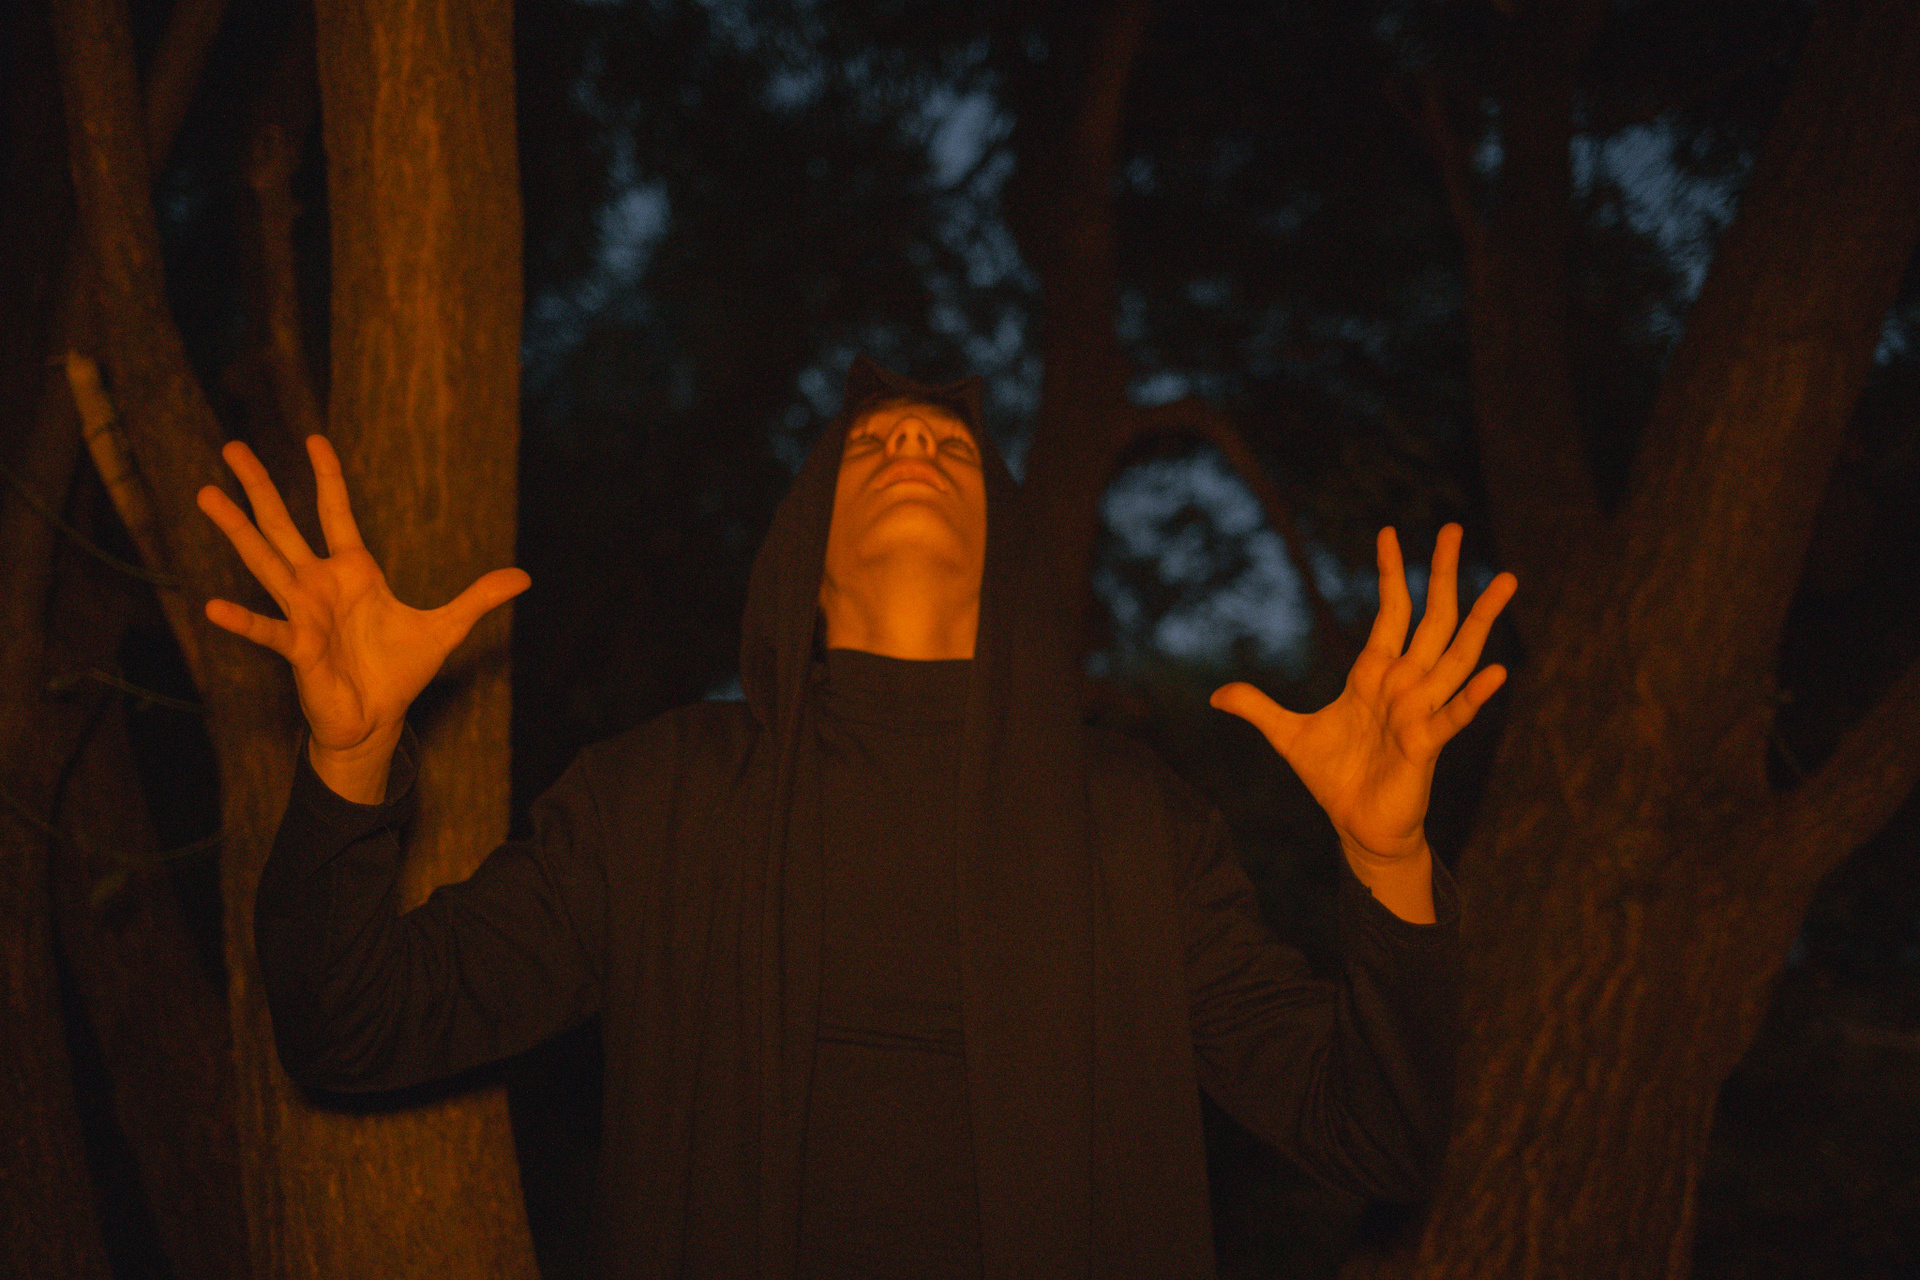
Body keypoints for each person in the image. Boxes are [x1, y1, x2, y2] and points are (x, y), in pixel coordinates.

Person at [197, 357, 1516, 1279]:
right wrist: (350, 756)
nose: (911, 452)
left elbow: (1379, 1134)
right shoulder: (659, 797)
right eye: (872, 447)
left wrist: (1388, 859)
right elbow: (348, 1027)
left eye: (949, 449)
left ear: (1007, 551)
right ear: (804, 564)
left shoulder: (1136, 825)